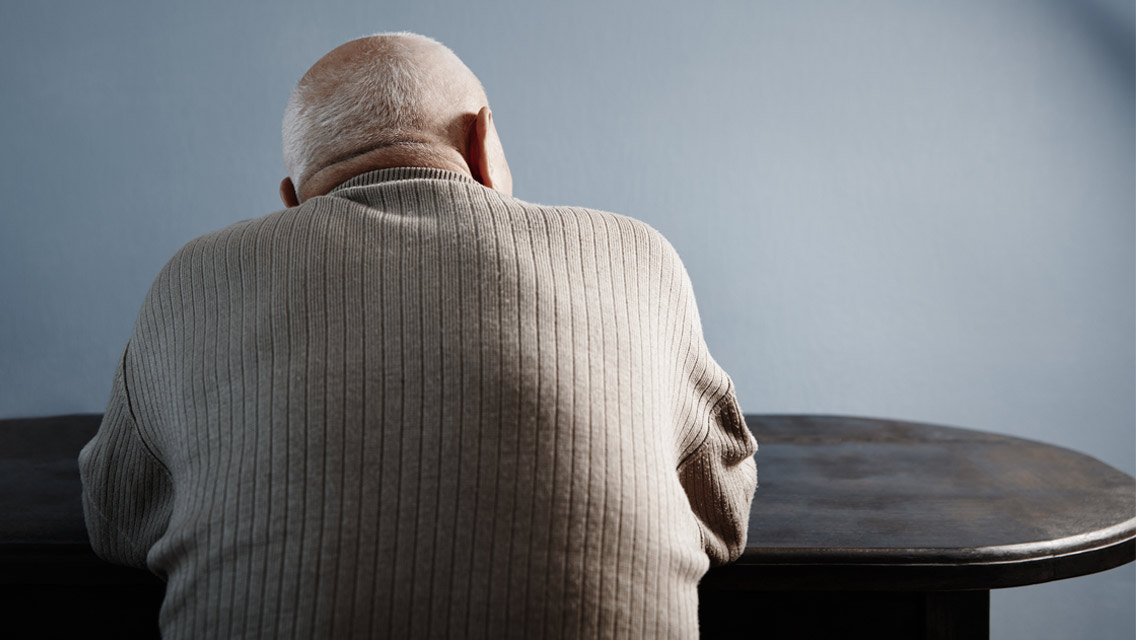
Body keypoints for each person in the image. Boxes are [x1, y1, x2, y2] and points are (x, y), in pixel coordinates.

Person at [78, 32, 757, 640]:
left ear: (292, 200)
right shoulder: (633, 255)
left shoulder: (194, 276)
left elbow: (117, 520)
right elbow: (723, 512)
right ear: (482, 144)